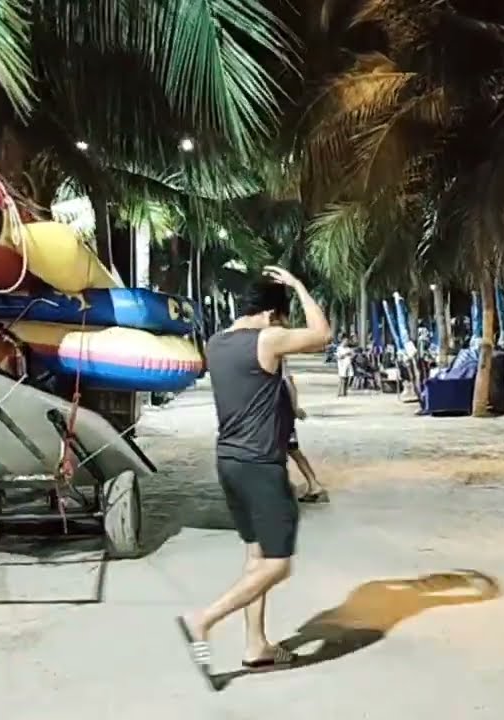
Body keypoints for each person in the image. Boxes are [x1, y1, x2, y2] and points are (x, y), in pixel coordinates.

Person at [177, 265, 332, 689]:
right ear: (271, 314)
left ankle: (256, 646)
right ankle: (202, 620)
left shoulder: (217, 342)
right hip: (260, 466)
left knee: (256, 557)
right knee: (278, 565)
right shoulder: (266, 338)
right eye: (282, 317)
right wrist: (299, 286)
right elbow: (322, 334)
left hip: (229, 461)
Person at [282, 359, 328, 504]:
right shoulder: (277, 358)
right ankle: (313, 484)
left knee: (287, 449)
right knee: (292, 450)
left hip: (280, 413)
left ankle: (312, 485)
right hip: (283, 413)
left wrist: (294, 408)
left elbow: (289, 384)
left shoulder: (275, 360)